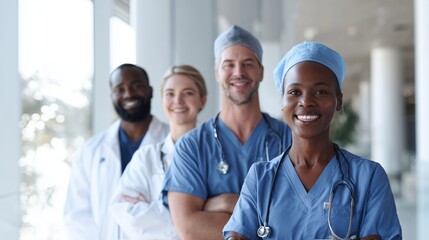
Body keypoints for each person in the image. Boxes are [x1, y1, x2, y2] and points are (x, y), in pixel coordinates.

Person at [222, 41, 402, 239]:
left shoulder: (368, 177)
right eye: (294, 92)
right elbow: (237, 235)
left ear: (338, 100)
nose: (306, 101)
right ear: (283, 101)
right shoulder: (260, 178)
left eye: (320, 92)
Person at [162, 25, 292, 240]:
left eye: (248, 64)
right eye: (229, 64)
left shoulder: (289, 139)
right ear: (217, 72)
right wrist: (266, 223)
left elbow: (303, 218)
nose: (238, 72)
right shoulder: (192, 146)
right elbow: (189, 228)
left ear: (261, 71)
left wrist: (225, 204)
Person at [64, 63, 169, 240]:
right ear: (112, 96)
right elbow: (77, 216)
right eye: (120, 89)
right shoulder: (91, 150)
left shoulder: (174, 142)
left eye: (137, 86)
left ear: (150, 91)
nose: (128, 94)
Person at [110, 65, 208, 239]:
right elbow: (126, 212)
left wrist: (159, 213)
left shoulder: (218, 155)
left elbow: (230, 214)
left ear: (202, 100)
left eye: (188, 93)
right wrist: (193, 217)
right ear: (162, 100)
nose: (178, 101)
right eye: (170, 93)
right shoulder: (145, 158)